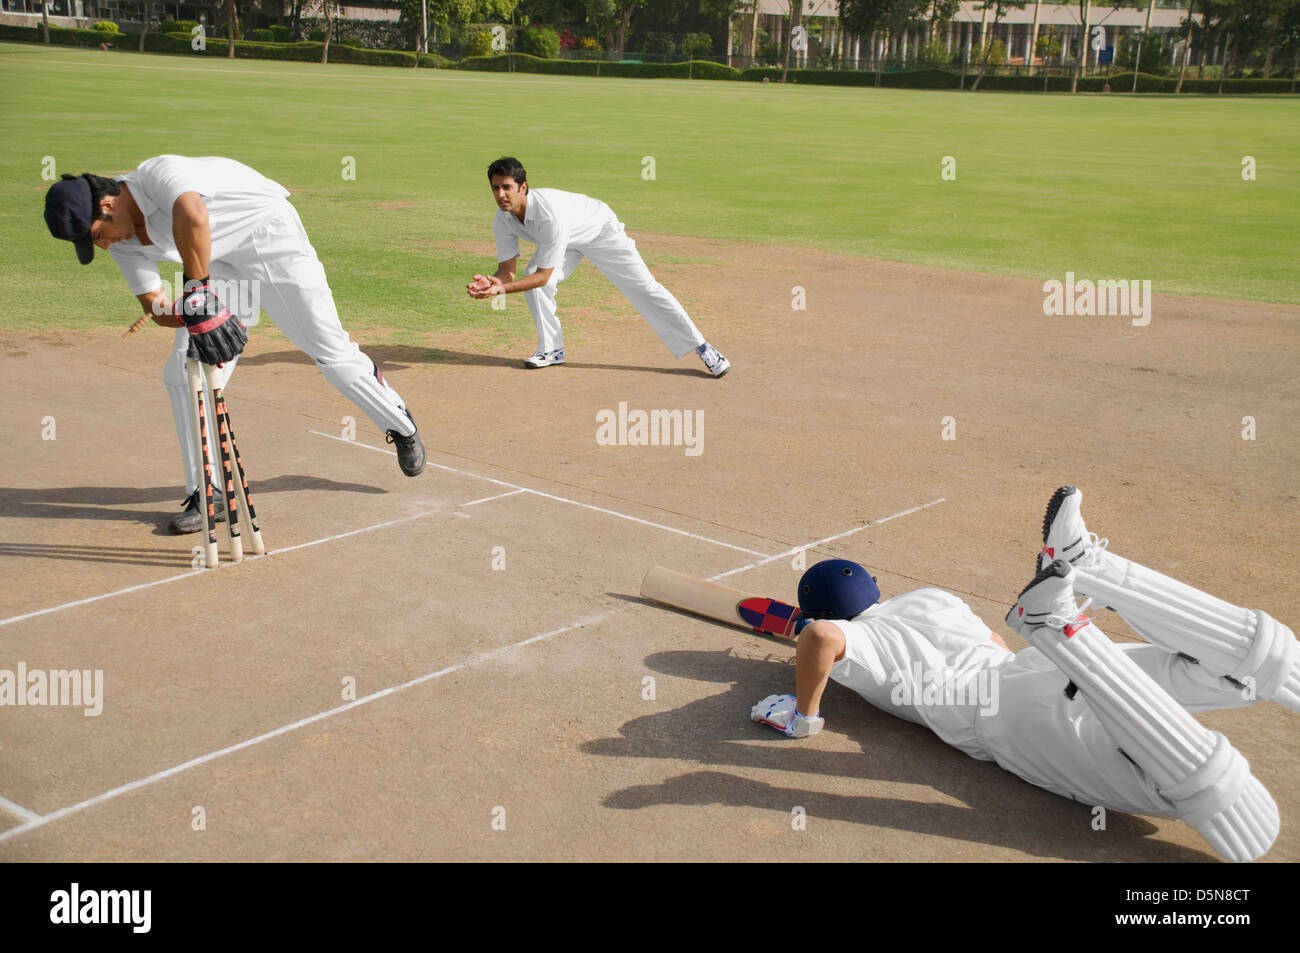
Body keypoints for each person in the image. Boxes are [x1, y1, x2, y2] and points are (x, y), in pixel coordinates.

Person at [750, 486, 1297, 862]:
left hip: (1008, 723)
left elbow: (821, 640)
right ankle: (1089, 567)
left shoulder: (856, 641)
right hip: (1029, 668)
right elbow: (990, 640)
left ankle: (1058, 624)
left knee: (1189, 795)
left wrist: (804, 715)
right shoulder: (929, 599)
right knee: (1233, 674)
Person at [44, 157, 426, 533]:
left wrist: (196, 294)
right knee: (183, 373)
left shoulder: (156, 174)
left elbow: (193, 216)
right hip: (216, 263)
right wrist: (196, 316)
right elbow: (157, 307)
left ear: (108, 205)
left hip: (268, 235)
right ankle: (205, 492)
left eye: (97, 236)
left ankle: (399, 422)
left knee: (330, 353)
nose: (106, 247)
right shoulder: (126, 243)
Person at [466, 157, 730, 377]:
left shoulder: (549, 215)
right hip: (567, 240)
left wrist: (501, 292)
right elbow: (507, 271)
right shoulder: (503, 219)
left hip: (601, 232)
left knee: (645, 289)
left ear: (523, 187)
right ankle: (551, 349)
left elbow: (544, 277)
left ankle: (703, 347)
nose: (500, 195)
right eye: (495, 188)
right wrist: (494, 282)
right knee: (528, 279)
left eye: (506, 187)